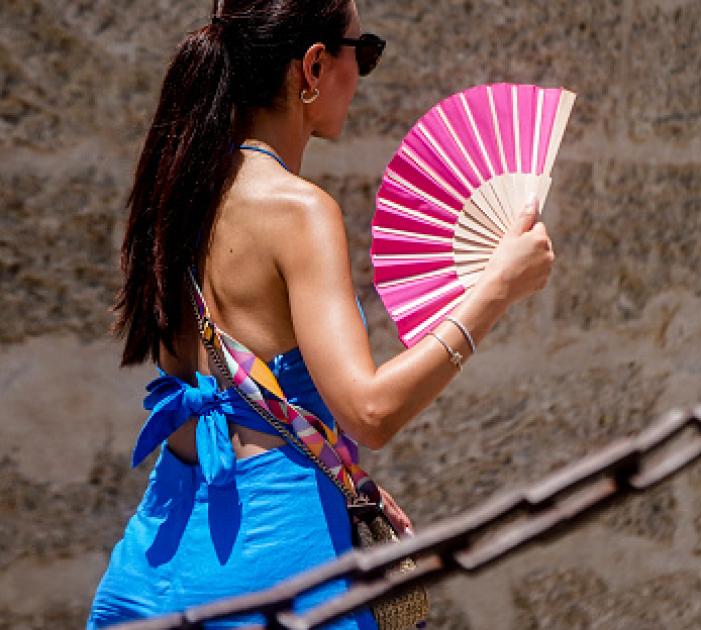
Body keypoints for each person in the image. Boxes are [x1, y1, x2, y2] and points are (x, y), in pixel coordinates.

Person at [86, 1, 554, 627]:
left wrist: (328, 465)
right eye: (364, 53)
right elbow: (372, 411)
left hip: (158, 547)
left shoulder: (182, 187)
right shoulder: (298, 210)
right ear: (312, 66)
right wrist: (497, 288)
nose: (363, 73)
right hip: (278, 556)